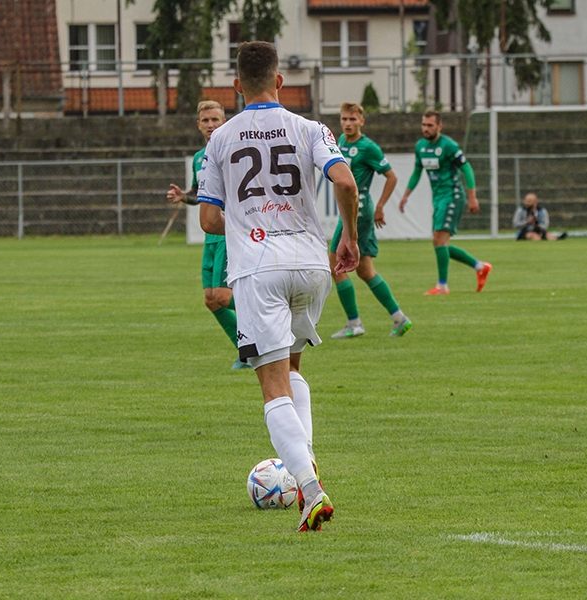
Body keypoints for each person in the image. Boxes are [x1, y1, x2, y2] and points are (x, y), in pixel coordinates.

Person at [197, 41, 359, 532]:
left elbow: (208, 219)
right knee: (293, 368)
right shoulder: (310, 128)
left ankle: (309, 490)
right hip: (312, 264)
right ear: (280, 82)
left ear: (236, 86)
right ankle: (306, 463)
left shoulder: (220, 139)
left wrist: (247, 219)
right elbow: (346, 183)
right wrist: (348, 236)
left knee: (272, 387)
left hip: (258, 269)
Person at [166, 100, 251, 370]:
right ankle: (245, 352)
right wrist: (184, 197)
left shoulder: (233, 151)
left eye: (216, 119)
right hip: (211, 236)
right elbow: (198, 194)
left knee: (223, 296)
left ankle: (269, 324)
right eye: (206, 121)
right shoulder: (199, 157)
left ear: (225, 121)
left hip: (229, 231)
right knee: (211, 300)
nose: (211, 125)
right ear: (199, 124)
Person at [328, 102, 412, 339]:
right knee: (365, 270)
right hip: (352, 209)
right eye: (344, 119)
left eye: (352, 120)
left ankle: (354, 323)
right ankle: (399, 318)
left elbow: (391, 177)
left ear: (361, 122)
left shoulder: (368, 147)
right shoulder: (341, 142)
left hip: (358, 210)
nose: (347, 123)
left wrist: (381, 206)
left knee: (335, 263)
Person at [398, 110, 492, 295]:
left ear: (439, 127)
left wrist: (472, 197)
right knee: (440, 242)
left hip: (453, 195)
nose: (425, 128)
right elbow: (417, 172)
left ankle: (442, 286)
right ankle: (480, 267)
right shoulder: (421, 147)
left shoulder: (449, 146)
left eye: (430, 125)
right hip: (439, 198)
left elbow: (467, 169)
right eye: (424, 125)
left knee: (439, 239)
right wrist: (405, 195)